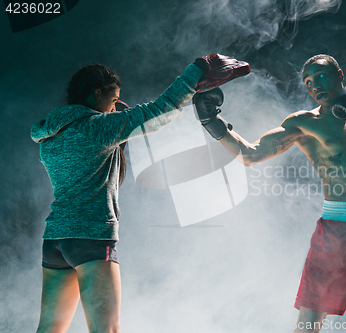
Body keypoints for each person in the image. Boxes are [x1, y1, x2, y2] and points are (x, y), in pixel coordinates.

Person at [193, 54, 346, 333]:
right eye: (308, 81)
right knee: (307, 326)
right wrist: (212, 123)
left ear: (340, 74)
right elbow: (250, 155)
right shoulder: (303, 124)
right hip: (335, 232)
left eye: (320, 76)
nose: (314, 85)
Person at [30, 53, 245, 333]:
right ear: (98, 94)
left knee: (49, 329)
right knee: (107, 330)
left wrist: (115, 123)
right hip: (90, 238)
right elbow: (161, 110)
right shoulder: (99, 127)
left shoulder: (49, 136)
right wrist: (197, 71)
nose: (115, 105)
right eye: (113, 98)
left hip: (56, 240)